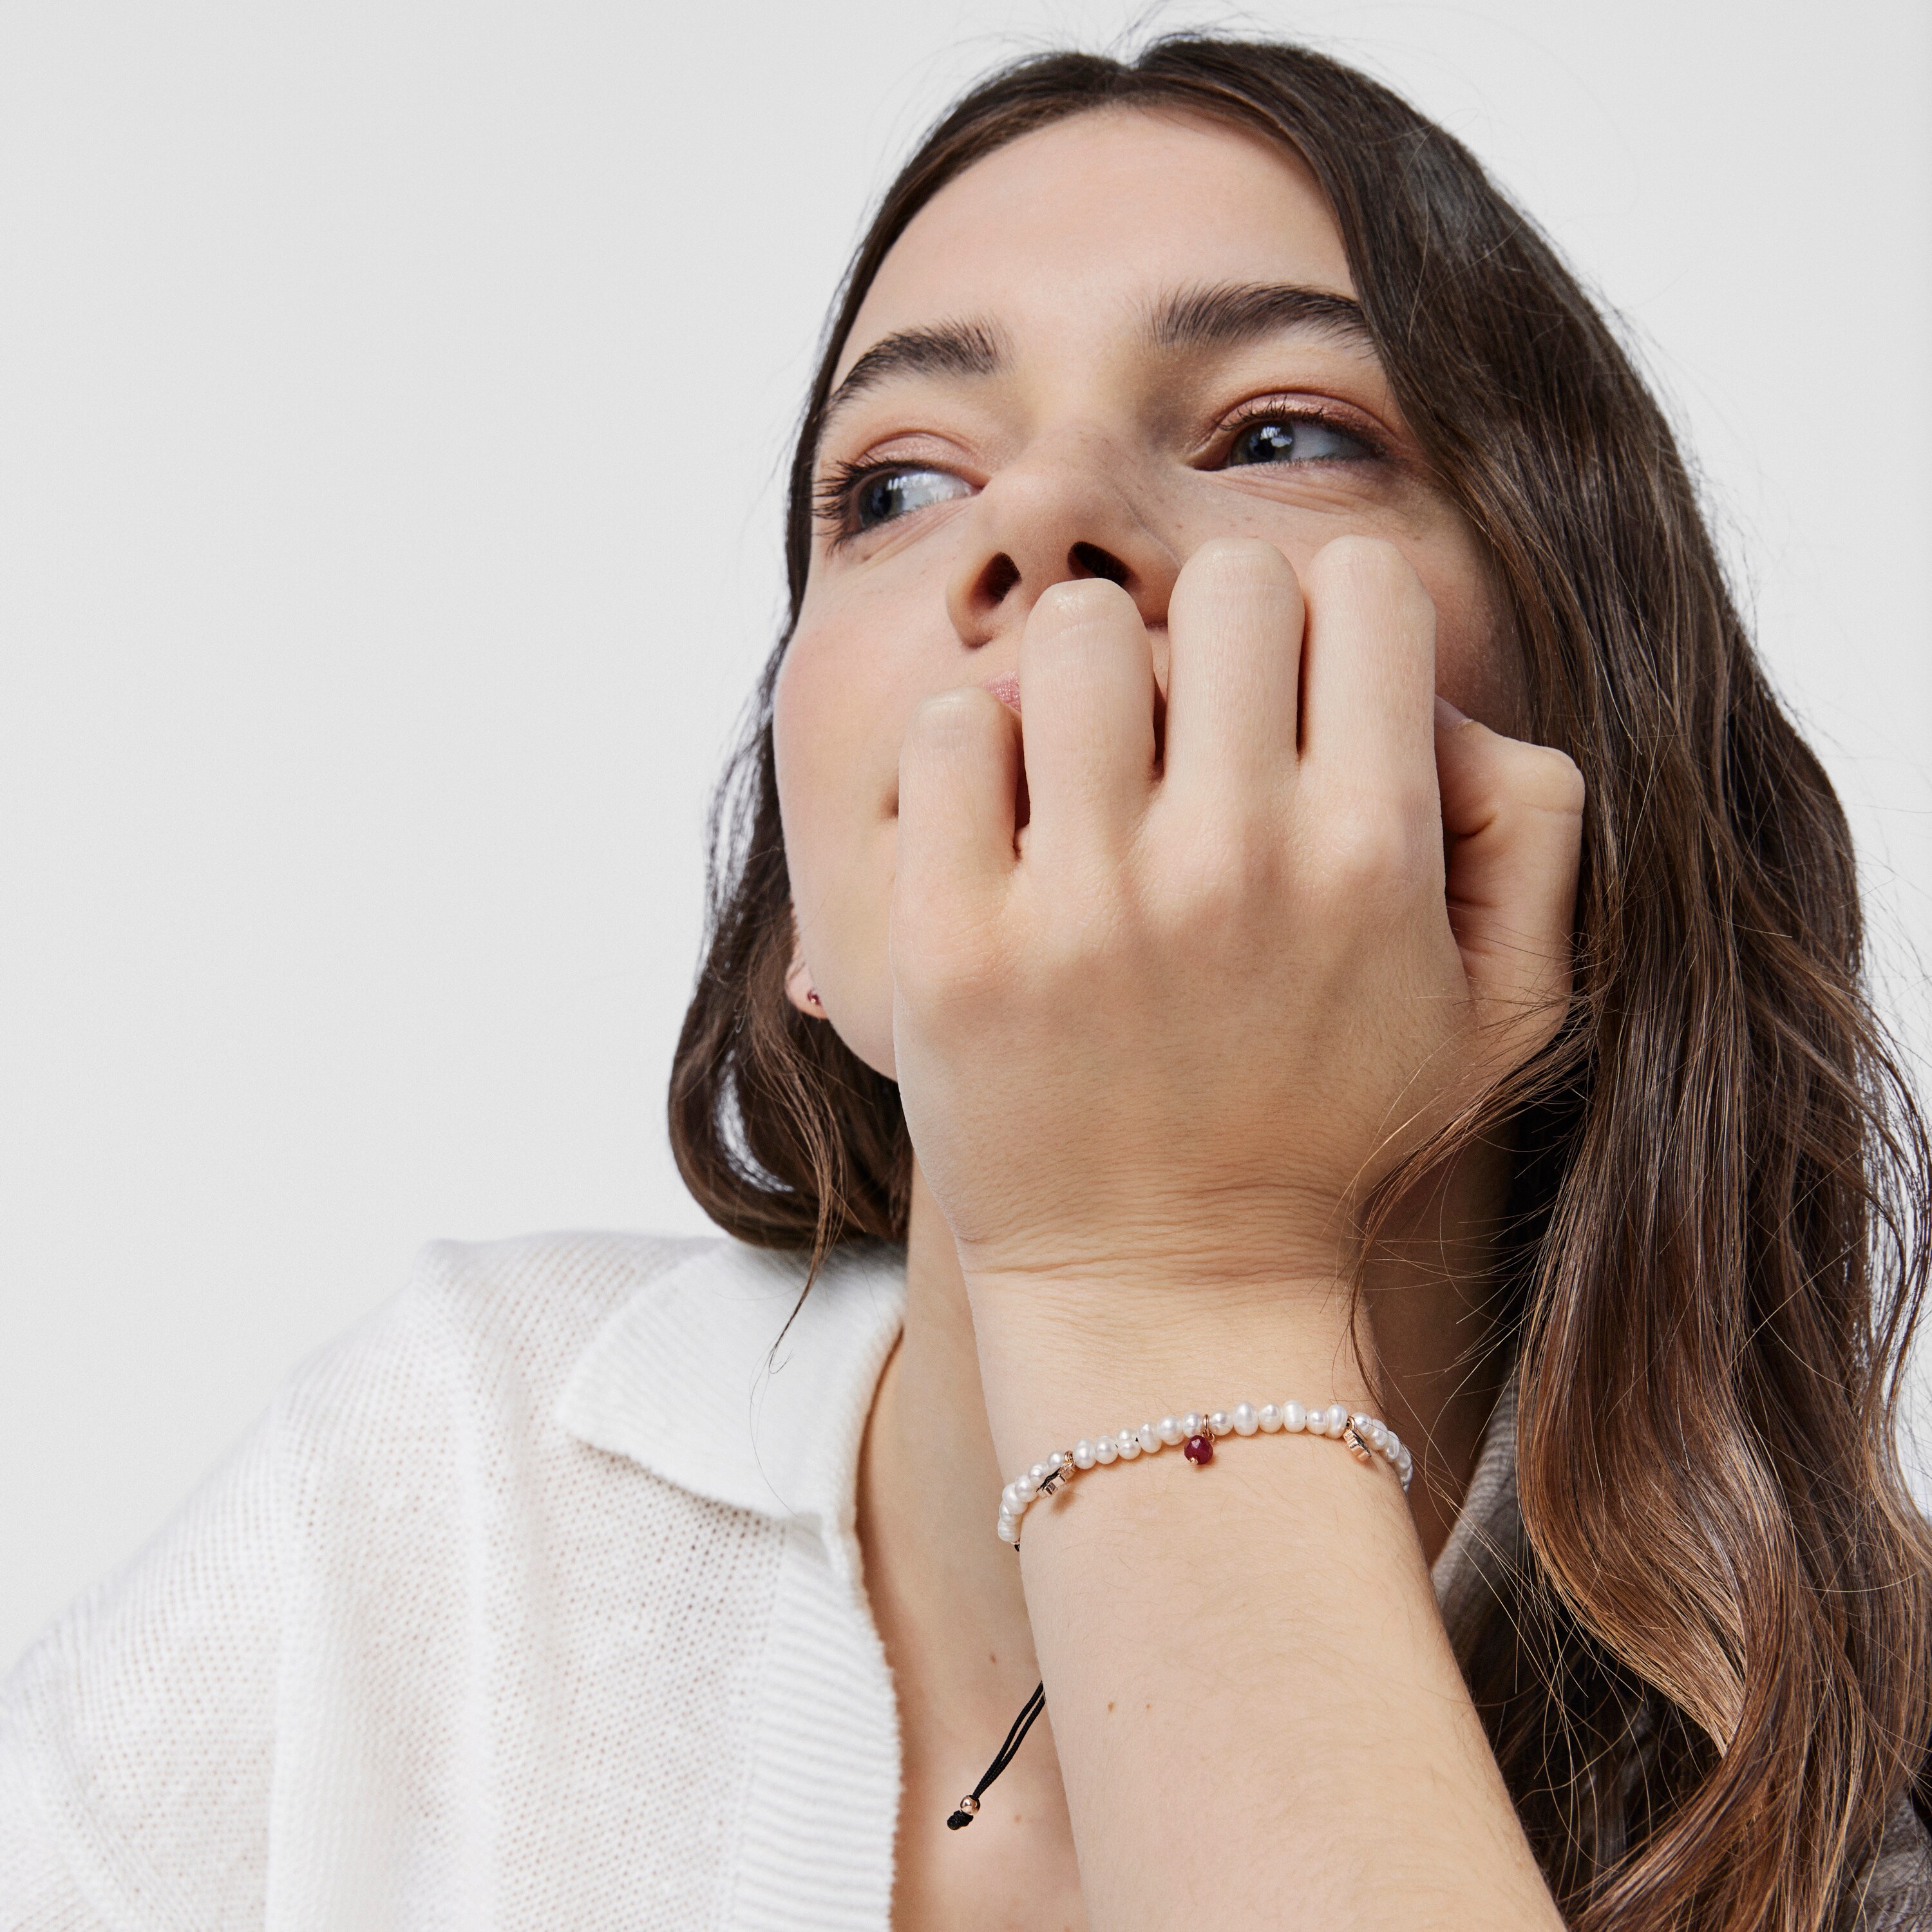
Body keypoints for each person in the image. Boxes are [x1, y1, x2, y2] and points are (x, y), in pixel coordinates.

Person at [3, 33, 1929, 1932]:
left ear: (1583, 761)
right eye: (900, 483)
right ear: (803, 939)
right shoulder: (434, 1513)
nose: (1044, 522)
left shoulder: (1875, 1778)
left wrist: (1175, 1277)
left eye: (1282, 434)